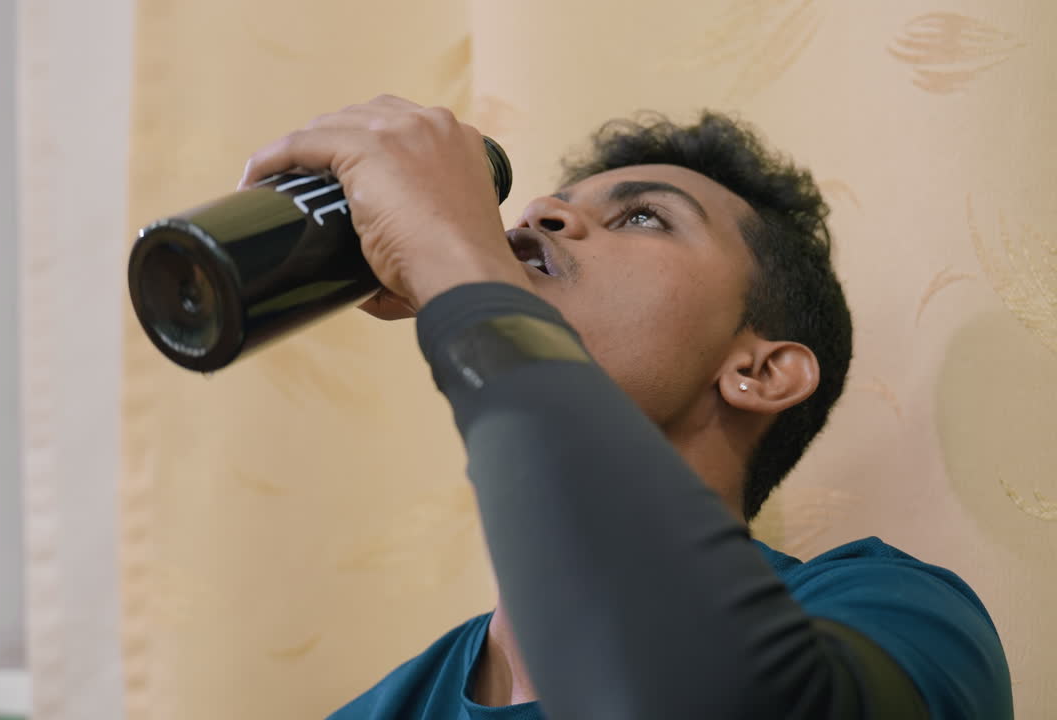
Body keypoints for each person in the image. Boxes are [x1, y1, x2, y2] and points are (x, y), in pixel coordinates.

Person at [239, 96, 1012, 719]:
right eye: (553, 205)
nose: (538, 212)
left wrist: (456, 261)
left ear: (761, 371)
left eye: (644, 216)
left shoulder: (903, 617)